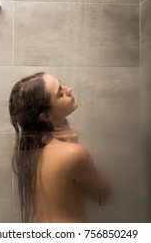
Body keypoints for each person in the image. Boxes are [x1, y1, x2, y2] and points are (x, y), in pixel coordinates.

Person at [9, 72, 111, 223]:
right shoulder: (72, 153)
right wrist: (73, 147)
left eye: (62, 84)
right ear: (45, 116)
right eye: (60, 93)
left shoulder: (27, 147)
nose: (69, 89)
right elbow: (103, 195)